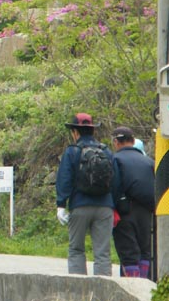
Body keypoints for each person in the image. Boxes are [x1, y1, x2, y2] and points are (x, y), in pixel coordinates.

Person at [56, 113, 119, 276]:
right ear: (93, 131)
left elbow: (65, 178)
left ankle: (79, 296)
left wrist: (61, 205)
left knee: (76, 249)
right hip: (105, 207)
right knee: (102, 253)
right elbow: (116, 180)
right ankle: (103, 297)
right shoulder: (106, 151)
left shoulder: (72, 152)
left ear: (75, 132)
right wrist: (115, 204)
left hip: (80, 206)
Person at [111, 126, 156, 278]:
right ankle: (145, 288)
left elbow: (114, 187)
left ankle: (133, 291)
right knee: (144, 252)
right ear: (132, 140)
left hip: (124, 213)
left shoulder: (116, 160)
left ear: (116, 142)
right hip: (146, 213)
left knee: (128, 252)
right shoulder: (149, 162)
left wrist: (112, 207)